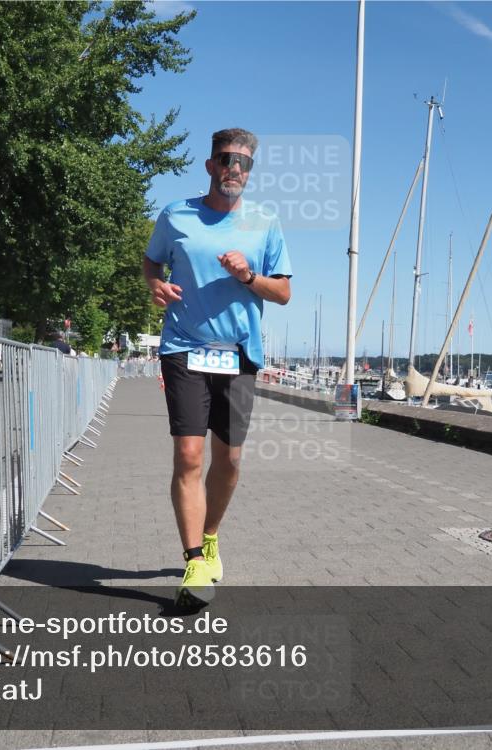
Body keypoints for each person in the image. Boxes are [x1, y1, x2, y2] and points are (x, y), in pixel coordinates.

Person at [142, 128, 292, 607]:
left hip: (238, 352)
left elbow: (284, 293)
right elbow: (151, 264)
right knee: (188, 456)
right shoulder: (176, 215)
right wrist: (155, 285)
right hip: (184, 347)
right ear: (210, 165)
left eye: (244, 163)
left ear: (251, 171)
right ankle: (194, 562)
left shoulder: (265, 223)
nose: (235, 169)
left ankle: (209, 537)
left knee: (228, 461)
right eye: (227, 159)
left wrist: (247, 275)